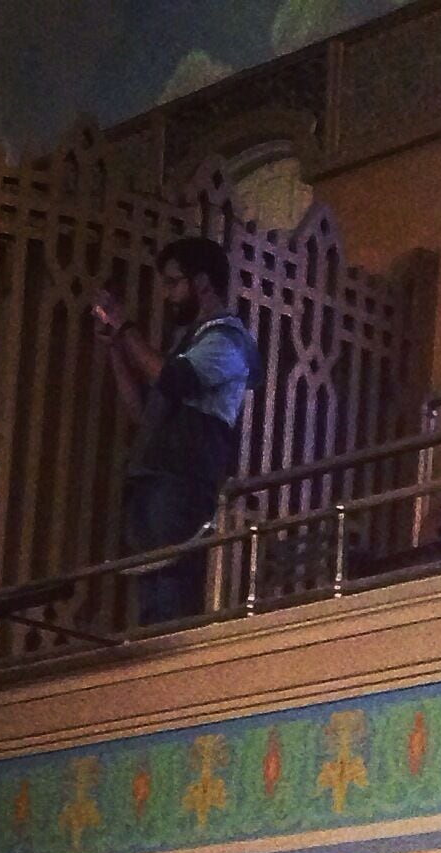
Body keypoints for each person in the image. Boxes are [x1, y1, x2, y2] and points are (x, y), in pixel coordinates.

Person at [89, 236, 258, 625]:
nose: (167, 294)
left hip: (183, 481)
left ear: (201, 283)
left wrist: (125, 326)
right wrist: (116, 346)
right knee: (151, 592)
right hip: (154, 478)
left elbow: (174, 378)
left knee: (169, 596)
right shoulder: (190, 340)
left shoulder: (227, 339)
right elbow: (141, 411)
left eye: (173, 282)